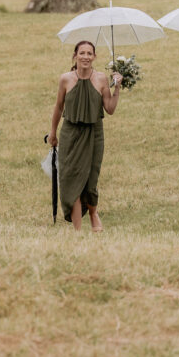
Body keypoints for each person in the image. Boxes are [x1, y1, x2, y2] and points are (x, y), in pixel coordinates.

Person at [48, 41, 122, 231]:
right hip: (70, 134)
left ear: (94, 57)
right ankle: (78, 231)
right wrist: (52, 133)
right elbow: (58, 107)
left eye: (90, 53)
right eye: (82, 53)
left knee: (90, 179)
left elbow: (110, 109)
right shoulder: (65, 79)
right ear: (75, 56)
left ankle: (93, 213)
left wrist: (117, 88)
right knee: (70, 179)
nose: (86, 57)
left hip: (94, 134)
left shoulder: (101, 79)